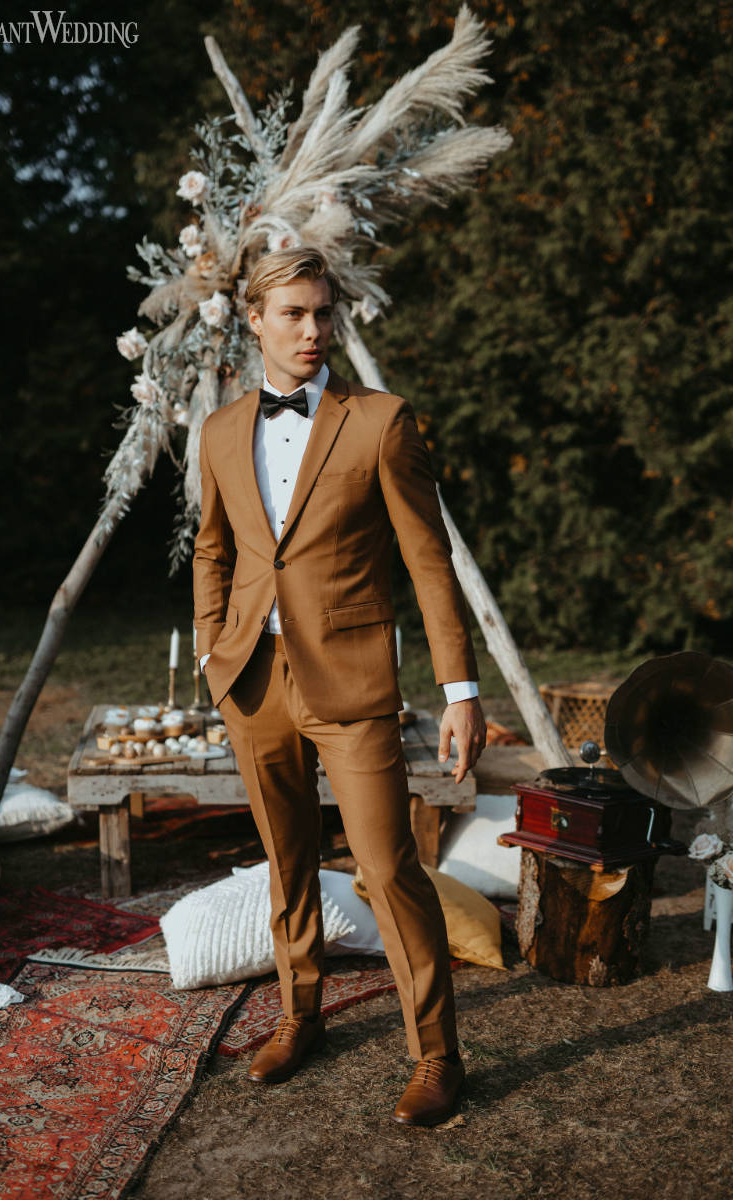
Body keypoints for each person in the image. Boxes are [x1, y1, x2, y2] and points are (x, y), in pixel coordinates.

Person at [193, 247, 486, 1127]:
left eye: (324, 312)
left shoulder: (382, 421)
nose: (314, 330)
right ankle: (301, 1014)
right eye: (294, 313)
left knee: (389, 867)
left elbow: (428, 561)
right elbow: (213, 548)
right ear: (255, 320)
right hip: (253, 680)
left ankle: (437, 1056)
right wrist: (211, 652)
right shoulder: (218, 431)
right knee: (285, 861)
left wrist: (461, 688)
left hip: (352, 681)